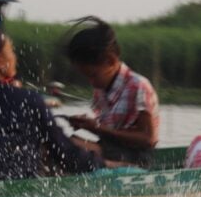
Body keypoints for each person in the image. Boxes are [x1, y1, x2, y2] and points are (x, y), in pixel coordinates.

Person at [0, 23, 103, 182]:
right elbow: (65, 155)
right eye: (11, 51)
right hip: (7, 193)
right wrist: (101, 163)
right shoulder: (28, 100)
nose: (15, 57)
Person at [66, 16, 159, 168]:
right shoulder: (101, 90)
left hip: (135, 157)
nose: (91, 82)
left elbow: (148, 139)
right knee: (59, 142)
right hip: (110, 150)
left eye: (93, 75)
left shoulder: (138, 86)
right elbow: (109, 134)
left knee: (69, 145)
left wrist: (97, 128)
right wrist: (88, 126)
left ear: (110, 60)